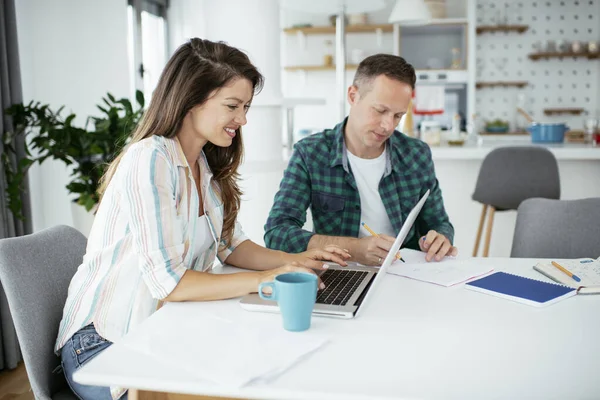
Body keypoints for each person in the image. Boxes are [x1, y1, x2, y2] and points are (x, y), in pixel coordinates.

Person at [54, 38, 349, 400]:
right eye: (233, 106)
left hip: (160, 328)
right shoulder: (149, 160)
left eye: (245, 107)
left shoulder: (205, 167)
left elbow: (231, 246)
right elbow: (170, 283)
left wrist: (294, 262)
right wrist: (264, 281)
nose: (242, 119)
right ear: (192, 99)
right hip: (106, 343)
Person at [264, 54, 456, 266]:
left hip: (404, 273)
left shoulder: (416, 154)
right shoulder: (310, 153)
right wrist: (354, 249)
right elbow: (277, 233)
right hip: (340, 272)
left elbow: (438, 223)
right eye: (380, 110)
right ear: (353, 96)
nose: (388, 126)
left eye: (397, 116)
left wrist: (438, 238)